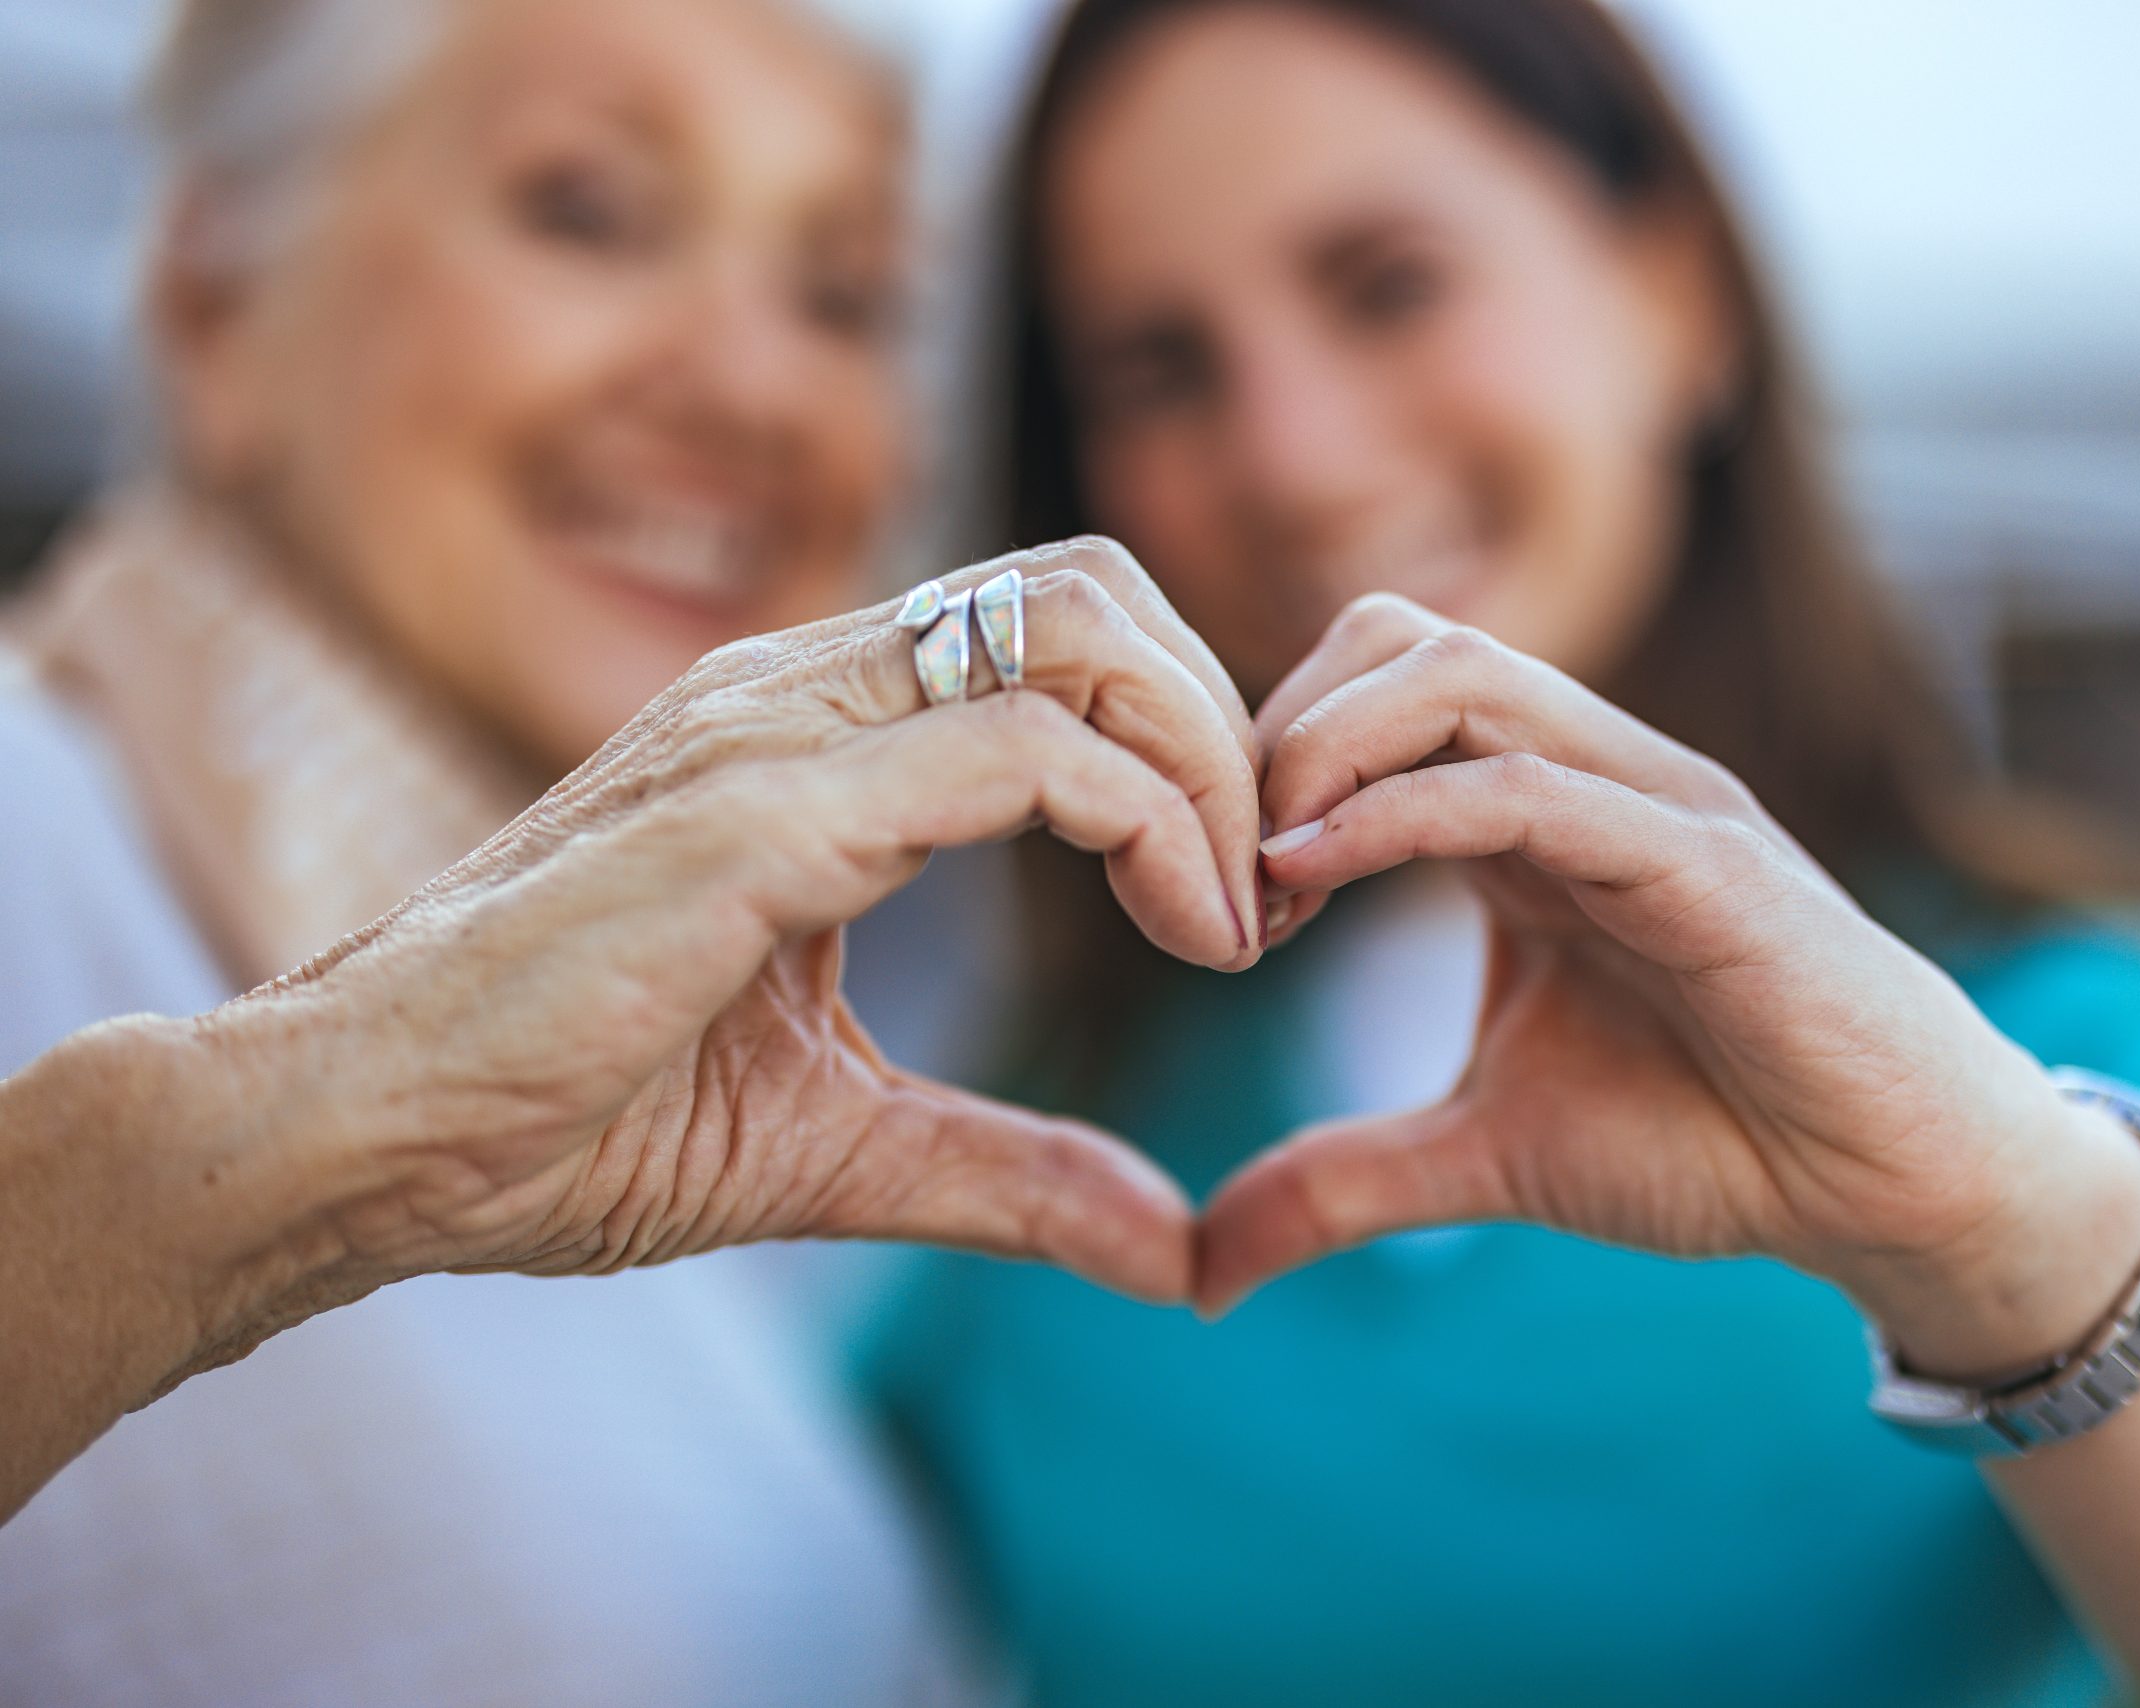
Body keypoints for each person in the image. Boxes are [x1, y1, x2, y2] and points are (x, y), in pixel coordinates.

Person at [858, 1, 2140, 1704]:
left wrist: (2000, 1235)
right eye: (1161, 368)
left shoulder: (2088, 1043)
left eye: (1389, 284)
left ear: (1679, 291)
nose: (1291, 456)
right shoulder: (1014, 1131)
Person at [0, 0, 1260, 1698]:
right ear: (212, 311)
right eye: (587, 212)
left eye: (847, 297)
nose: (751, 385)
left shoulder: (746, 1092)